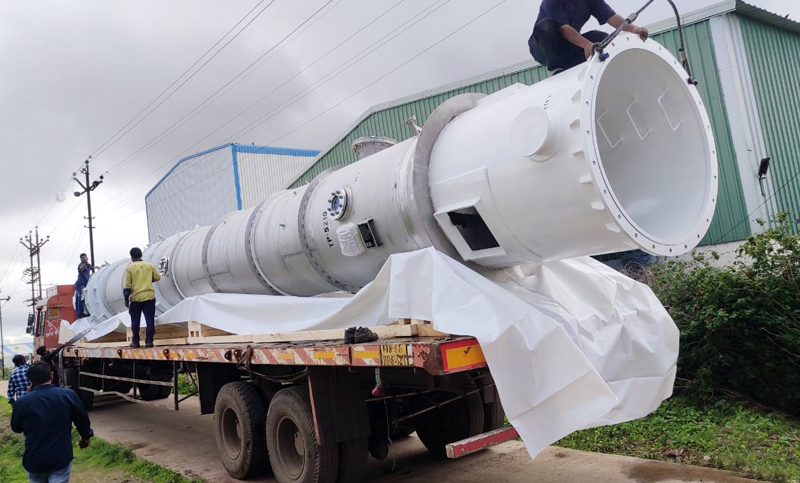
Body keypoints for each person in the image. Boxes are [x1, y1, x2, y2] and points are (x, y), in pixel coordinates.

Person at [10, 361, 93, 483]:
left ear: (30, 380)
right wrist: (85, 436)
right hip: (60, 458)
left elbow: (16, 428)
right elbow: (82, 419)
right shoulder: (68, 395)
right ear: (51, 375)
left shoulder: (22, 402)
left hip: (34, 460)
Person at [528, 0, 649, 74]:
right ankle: (555, 68)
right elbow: (564, 29)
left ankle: (595, 67)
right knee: (546, 26)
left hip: (569, 45)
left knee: (601, 38)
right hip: (543, 48)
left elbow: (611, 17)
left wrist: (634, 29)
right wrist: (585, 44)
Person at [123, 247, 161, 348]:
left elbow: (127, 285)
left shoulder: (130, 268)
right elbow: (157, 277)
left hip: (136, 298)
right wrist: (148, 280)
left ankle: (136, 342)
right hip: (149, 296)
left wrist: (126, 299)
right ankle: (149, 341)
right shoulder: (149, 265)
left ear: (131, 257)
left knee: (135, 321)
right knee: (150, 319)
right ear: (141, 255)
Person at [74, 253, 93, 318]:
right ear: (81, 259)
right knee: (80, 298)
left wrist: (99, 267)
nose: (84, 258)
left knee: (83, 298)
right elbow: (81, 268)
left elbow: (92, 267)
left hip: (85, 284)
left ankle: (83, 312)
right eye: (83, 258)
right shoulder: (81, 265)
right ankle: (80, 314)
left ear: (87, 258)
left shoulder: (88, 265)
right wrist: (84, 265)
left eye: (85, 257)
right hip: (80, 284)